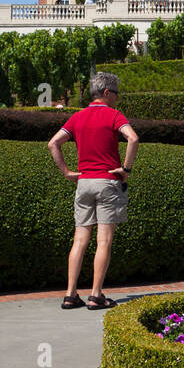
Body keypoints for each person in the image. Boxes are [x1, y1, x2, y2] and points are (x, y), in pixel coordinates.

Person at [46, 72, 139, 310]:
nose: (118, 99)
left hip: (84, 183)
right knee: (104, 240)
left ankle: (70, 294)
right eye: (116, 93)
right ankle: (96, 295)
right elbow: (133, 138)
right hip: (107, 181)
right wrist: (126, 169)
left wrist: (67, 172)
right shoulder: (114, 115)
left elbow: (53, 143)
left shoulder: (77, 117)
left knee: (80, 239)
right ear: (107, 93)